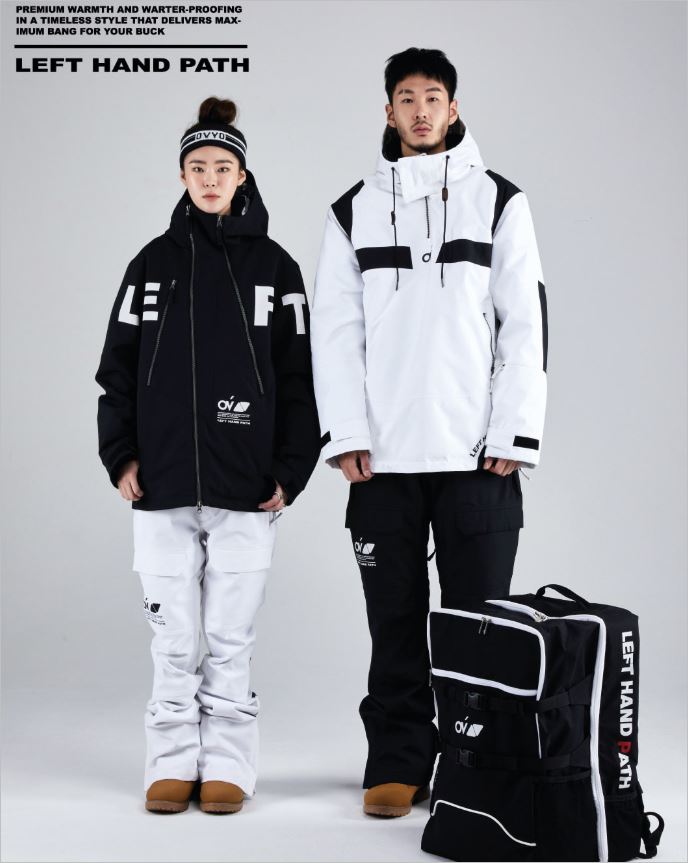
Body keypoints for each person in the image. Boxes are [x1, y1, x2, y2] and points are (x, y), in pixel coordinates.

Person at [310, 48, 548, 817]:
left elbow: (525, 324)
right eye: (406, 98)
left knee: (480, 623)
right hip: (381, 459)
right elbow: (334, 335)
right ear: (388, 111)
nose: (419, 110)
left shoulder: (500, 201)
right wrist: (345, 432)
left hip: (477, 454)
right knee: (394, 622)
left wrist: (513, 431)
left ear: (453, 108)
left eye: (433, 96)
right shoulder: (352, 210)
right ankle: (399, 757)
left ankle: (478, 764)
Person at [96, 97, 320, 814]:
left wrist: (290, 470)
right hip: (160, 483)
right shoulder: (150, 265)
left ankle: (227, 762)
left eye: (224, 167)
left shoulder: (276, 269)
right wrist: (120, 456)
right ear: (183, 176)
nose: (211, 178)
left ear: (242, 175)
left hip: (247, 485)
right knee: (174, 636)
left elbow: (300, 377)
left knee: (228, 634)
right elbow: (117, 371)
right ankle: (169, 758)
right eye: (199, 167)